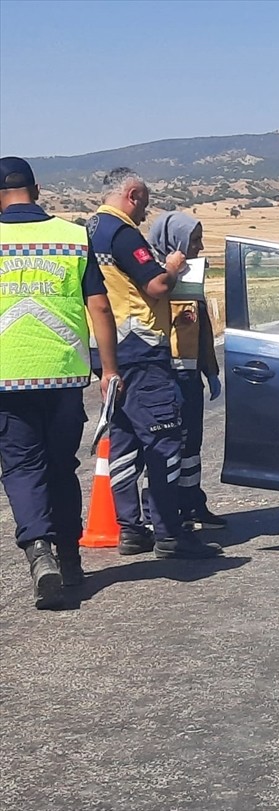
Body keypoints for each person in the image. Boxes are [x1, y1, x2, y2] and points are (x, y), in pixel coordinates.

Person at [0, 156, 121, 608]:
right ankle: (70, 558)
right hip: (65, 374)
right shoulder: (73, 237)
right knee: (60, 465)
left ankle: (39, 551)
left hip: (7, 377)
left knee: (21, 468)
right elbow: (101, 307)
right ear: (37, 189)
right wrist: (109, 369)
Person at [85, 168, 221, 559]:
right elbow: (156, 285)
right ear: (132, 194)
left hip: (107, 351)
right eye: (143, 202)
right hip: (141, 349)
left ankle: (131, 529)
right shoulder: (123, 233)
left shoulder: (87, 229)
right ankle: (170, 532)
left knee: (125, 440)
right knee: (165, 440)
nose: (145, 213)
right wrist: (174, 267)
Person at [148, 212, 226, 531]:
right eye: (194, 240)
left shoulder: (191, 276)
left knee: (191, 446)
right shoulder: (151, 275)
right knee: (168, 447)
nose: (199, 246)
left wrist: (210, 370)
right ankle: (162, 512)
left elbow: (202, 326)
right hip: (165, 375)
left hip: (189, 376)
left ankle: (192, 503)